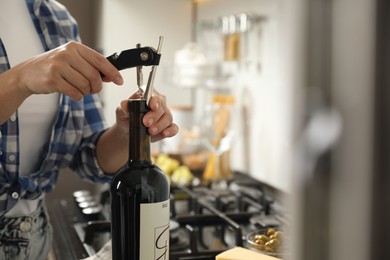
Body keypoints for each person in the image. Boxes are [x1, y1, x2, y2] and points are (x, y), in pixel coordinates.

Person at [0, 0, 179, 259]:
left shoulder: (56, 17)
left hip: (33, 238)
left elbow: (87, 153)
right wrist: (20, 79)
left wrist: (125, 133)